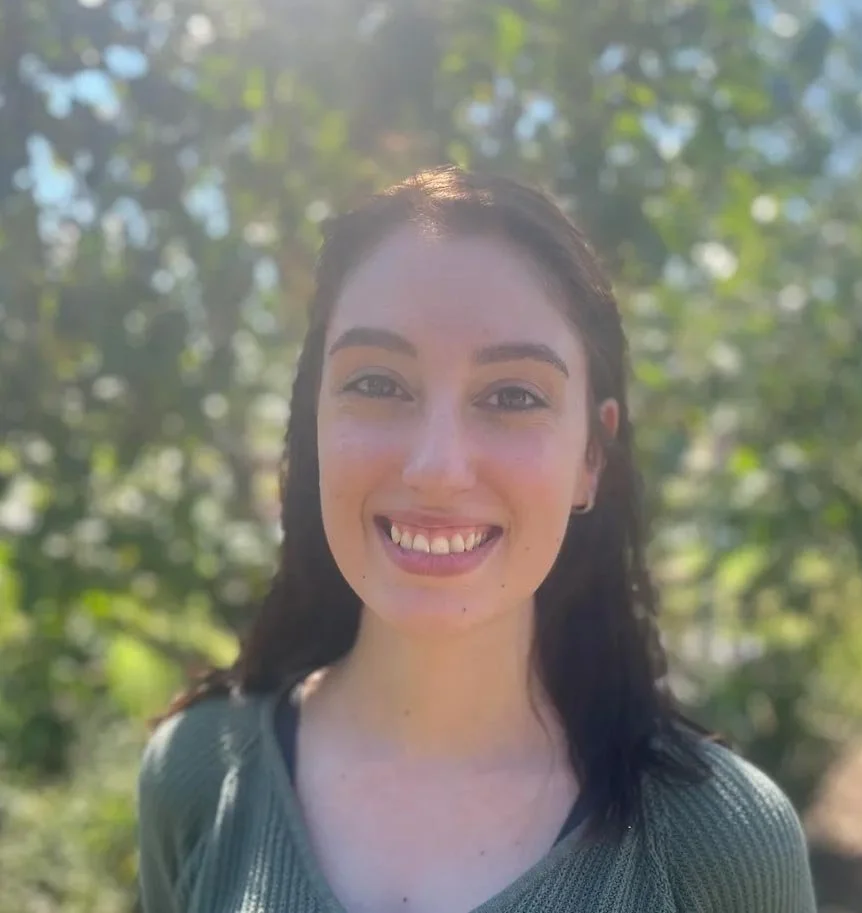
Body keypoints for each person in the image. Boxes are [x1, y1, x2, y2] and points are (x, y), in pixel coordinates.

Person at [136, 166, 817, 913]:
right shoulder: (198, 776)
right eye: (377, 383)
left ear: (592, 455)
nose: (436, 467)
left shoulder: (719, 843)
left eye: (513, 395)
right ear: (315, 423)